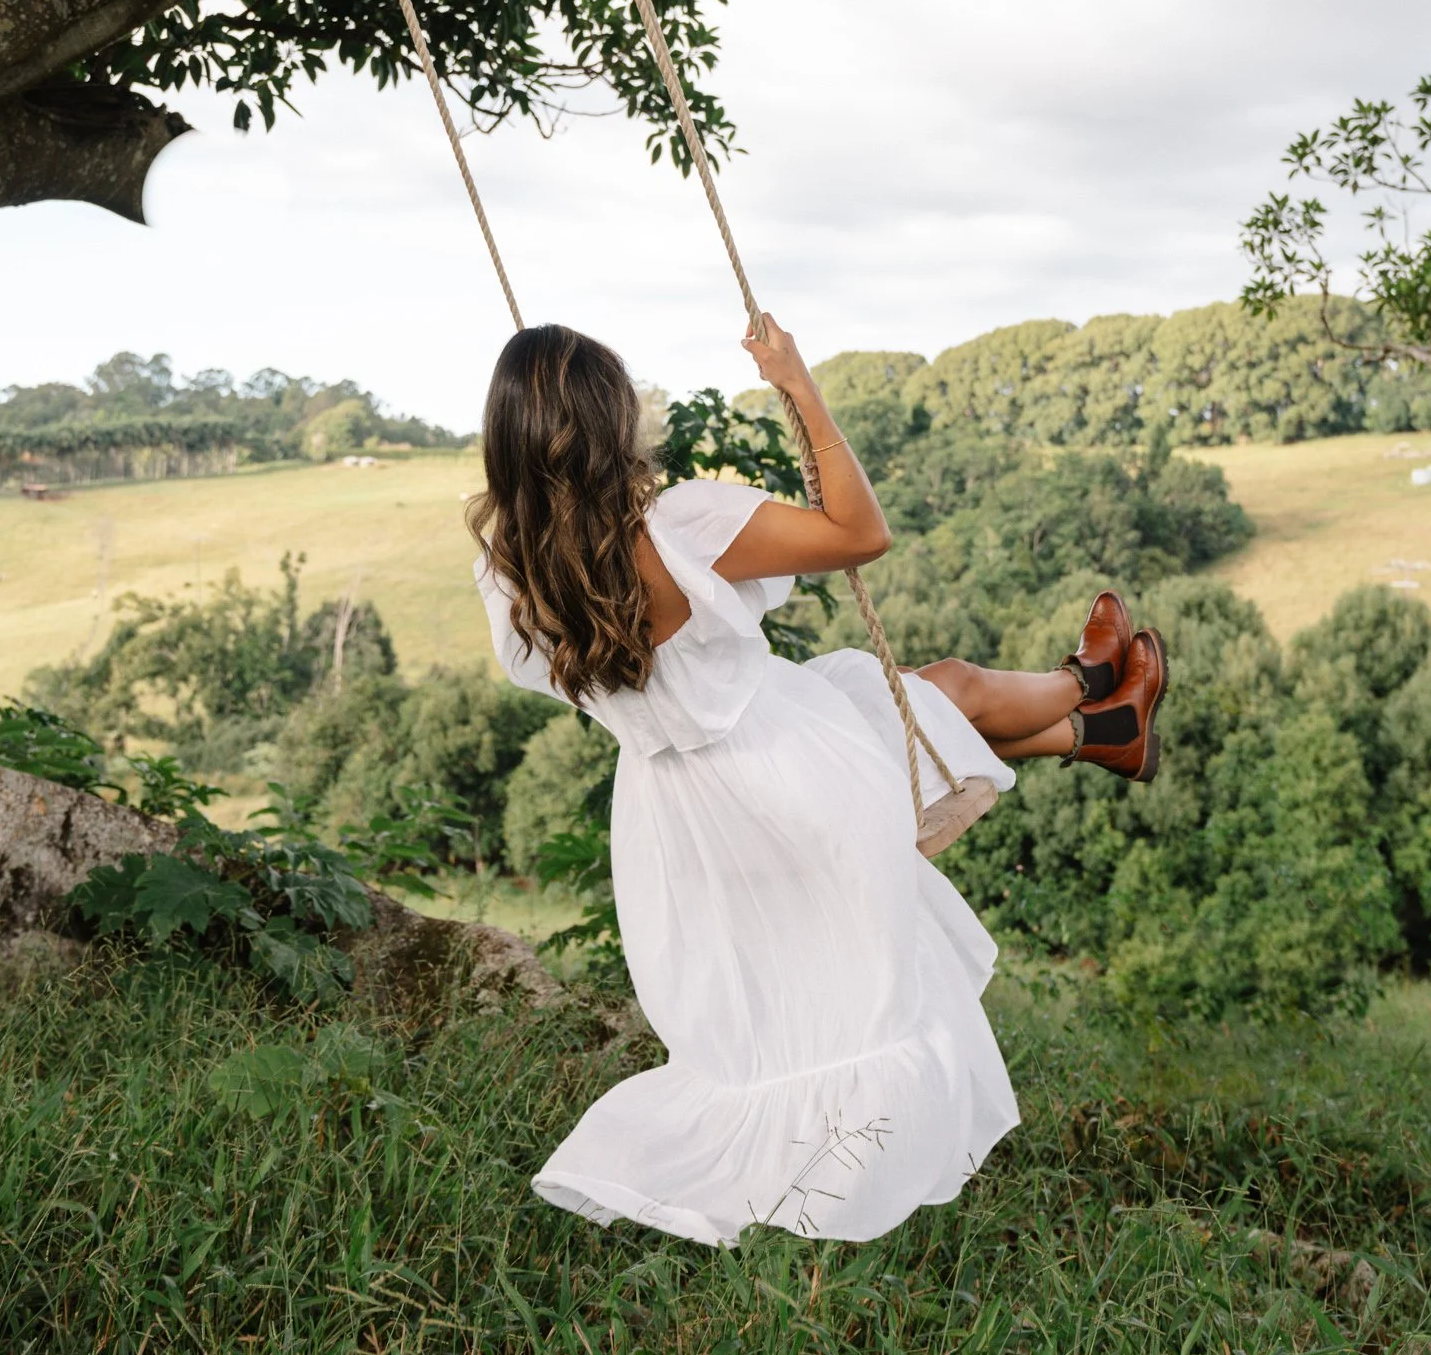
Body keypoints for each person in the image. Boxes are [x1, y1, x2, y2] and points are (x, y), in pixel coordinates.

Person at [469, 317, 1169, 1246]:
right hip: (785, 770)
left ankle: (1103, 730)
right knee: (945, 688)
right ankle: (1092, 687)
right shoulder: (678, 526)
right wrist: (798, 385)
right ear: (612, 421)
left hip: (681, 829)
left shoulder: (509, 572)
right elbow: (859, 532)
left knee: (921, 717)